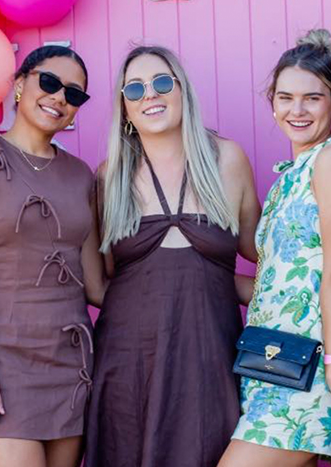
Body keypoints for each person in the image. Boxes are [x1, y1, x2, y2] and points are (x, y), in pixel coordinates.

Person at [85, 45, 260, 467]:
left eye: (162, 82)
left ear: (183, 91)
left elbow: (264, 259)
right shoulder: (110, 176)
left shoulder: (227, 159)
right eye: (135, 88)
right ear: (125, 107)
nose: (150, 94)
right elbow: (108, 281)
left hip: (210, 353)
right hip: (128, 361)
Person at [0, 45, 104, 467]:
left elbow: (95, 286)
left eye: (73, 94)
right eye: (49, 82)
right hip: (1, 362)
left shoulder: (81, 175)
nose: (59, 98)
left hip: (71, 366)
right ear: (19, 85)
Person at [219, 29, 331, 467]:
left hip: (313, 366)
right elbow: (277, 285)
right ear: (273, 103)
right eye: (286, 98)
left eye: (312, 98)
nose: (297, 110)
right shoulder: (290, 174)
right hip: (271, 361)